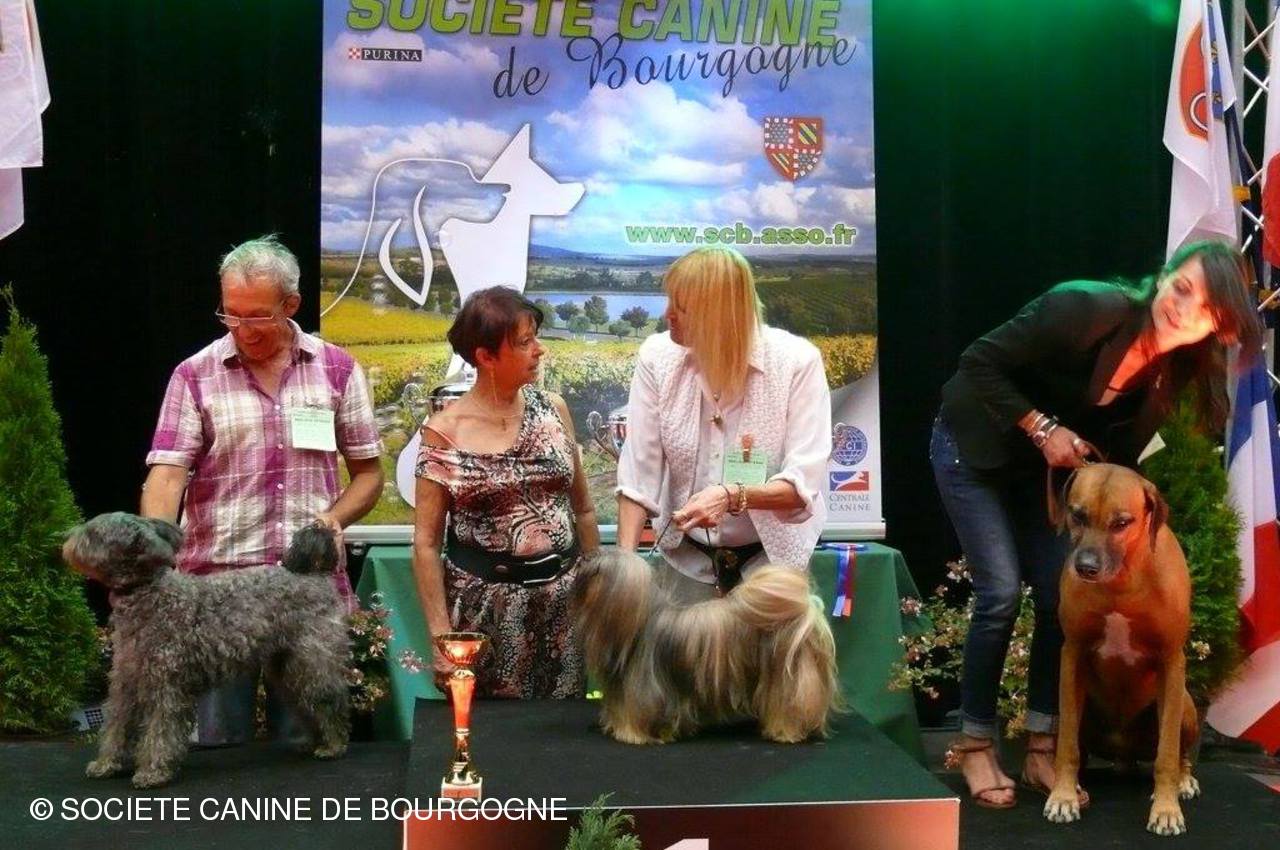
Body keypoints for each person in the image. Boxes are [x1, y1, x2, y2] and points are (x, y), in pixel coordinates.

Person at [931, 239, 1261, 808]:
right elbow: (977, 362)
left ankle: (1042, 744)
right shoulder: (1086, 307)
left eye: (1205, 308)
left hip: (1047, 478)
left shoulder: (1169, 376)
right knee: (1001, 593)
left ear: (1221, 328)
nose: (1182, 309)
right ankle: (976, 744)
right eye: (1182, 288)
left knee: (1060, 597)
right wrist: (1042, 428)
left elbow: (1120, 455)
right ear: (1163, 277)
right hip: (975, 447)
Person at [142, 234, 384, 745]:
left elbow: (368, 474)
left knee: (304, 745)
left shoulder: (338, 369)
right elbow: (166, 474)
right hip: (216, 592)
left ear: (290, 305)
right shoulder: (194, 375)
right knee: (218, 746)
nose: (242, 329)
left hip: (304, 590)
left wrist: (332, 520)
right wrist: (155, 548)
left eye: (256, 316)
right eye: (230, 315)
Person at [413, 286, 599, 698]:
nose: (539, 350)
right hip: (485, 615)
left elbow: (584, 509)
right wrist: (440, 637)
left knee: (564, 730)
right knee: (490, 731)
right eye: (525, 342)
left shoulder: (554, 410)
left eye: (535, 338)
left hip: (565, 610)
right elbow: (426, 544)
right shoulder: (445, 432)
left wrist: (597, 590)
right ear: (486, 356)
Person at [615, 246, 832, 600]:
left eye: (681, 308)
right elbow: (640, 471)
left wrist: (731, 496)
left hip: (770, 568)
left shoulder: (797, 362)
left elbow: (801, 487)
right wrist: (624, 566)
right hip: (688, 561)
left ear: (719, 315)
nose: (667, 315)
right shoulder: (657, 358)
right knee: (684, 638)